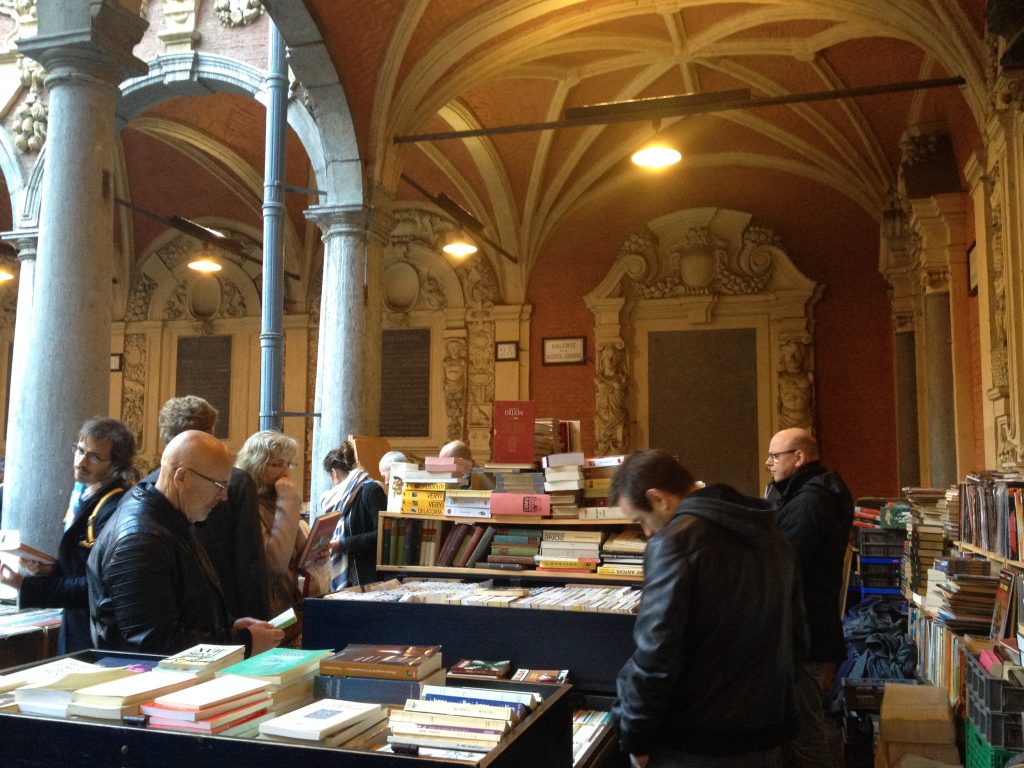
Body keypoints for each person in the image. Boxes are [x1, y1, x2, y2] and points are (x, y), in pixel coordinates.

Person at [610, 449, 806, 767]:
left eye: (640, 520)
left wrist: (636, 736)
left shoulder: (674, 542)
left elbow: (656, 657)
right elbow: (797, 636)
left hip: (692, 741)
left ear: (657, 499)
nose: (646, 533)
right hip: (765, 734)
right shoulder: (774, 537)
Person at [88, 430, 283, 656]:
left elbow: (184, 606)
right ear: (181, 477)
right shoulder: (140, 539)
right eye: (218, 486)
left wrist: (228, 626)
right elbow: (155, 645)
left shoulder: (169, 517)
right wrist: (244, 642)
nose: (224, 497)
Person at [1, 418, 136, 653]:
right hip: (78, 626)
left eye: (94, 457)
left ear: (116, 464)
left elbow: (96, 586)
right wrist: (52, 569)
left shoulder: (113, 507)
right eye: (80, 450)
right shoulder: (86, 493)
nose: (81, 462)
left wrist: (23, 584)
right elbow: (85, 565)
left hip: (98, 636)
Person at [765, 427, 853, 768]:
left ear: (799, 458)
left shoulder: (809, 502)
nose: (769, 463)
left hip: (805, 630)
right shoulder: (817, 491)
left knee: (804, 725)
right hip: (812, 624)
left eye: (775, 456)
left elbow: (785, 565)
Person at [144, 395, 269, 620]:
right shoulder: (237, 483)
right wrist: (259, 622)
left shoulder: (147, 486)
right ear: (210, 432)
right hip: (227, 612)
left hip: (174, 609)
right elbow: (249, 562)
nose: (220, 494)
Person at [235, 430, 305, 619]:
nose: (285, 472)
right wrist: (288, 502)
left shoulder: (274, 501)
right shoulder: (250, 504)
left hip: (286, 602)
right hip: (264, 608)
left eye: (288, 464)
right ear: (256, 465)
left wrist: (315, 554)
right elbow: (275, 564)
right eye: (277, 464)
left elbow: (295, 552)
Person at [321, 441, 387, 589]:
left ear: (333, 473)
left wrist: (342, 544)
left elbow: (382, 535)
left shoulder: (370, 490)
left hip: (367, 576)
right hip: (348, 577)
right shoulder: (339, 499)